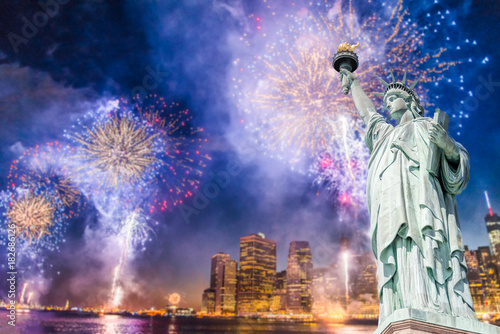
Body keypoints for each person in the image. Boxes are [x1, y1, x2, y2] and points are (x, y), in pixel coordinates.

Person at [339, 69, 477, 323]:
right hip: (393, 211)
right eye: (385, 100)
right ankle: (406, 304)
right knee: (402, 253)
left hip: (424, 205)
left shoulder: (426, 126)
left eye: (392, 97)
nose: (387, 102)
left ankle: (436, 302)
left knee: (425, 246)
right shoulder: (385, 135)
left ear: (411, 101)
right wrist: (355, 83)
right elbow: (368, 115)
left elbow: (459, 167)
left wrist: (447, 146)